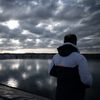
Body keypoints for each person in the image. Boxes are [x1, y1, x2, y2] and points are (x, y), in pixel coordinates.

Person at [48, 34, 92, 100]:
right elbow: (87, 81)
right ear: (75, 42)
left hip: (60, 94)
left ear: (64, 42)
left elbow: (50, 72)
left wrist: (63, 75)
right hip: (76, 96)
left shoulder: (55, 57)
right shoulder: (80, 58)